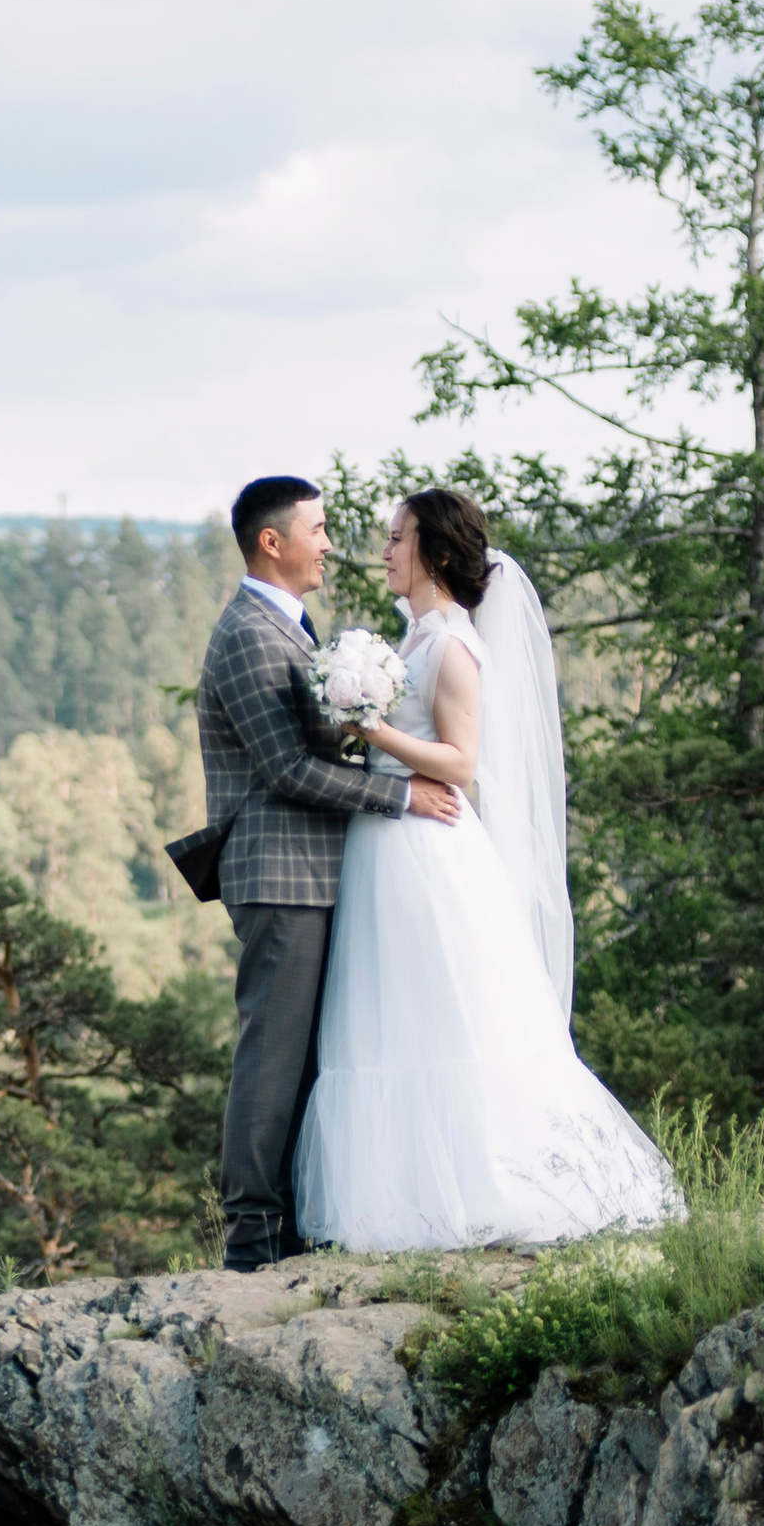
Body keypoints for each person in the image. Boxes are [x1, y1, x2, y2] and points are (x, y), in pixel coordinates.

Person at [293, 485, 680, 1252]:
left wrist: (375, 731)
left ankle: (493, 1191)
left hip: (428, 849)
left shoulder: (455, 647)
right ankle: (398, 1202)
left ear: (434, 553)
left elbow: (461, 763)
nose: (385, 551)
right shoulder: (409, 641)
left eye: (398, 538)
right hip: (387, 845)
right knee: (385, 1010)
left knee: (445, 1014)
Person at [197, 475, 463, 1273]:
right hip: (278, 873)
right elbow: (285, 771)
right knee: (273, 1052)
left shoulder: (289, 628)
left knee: (309, 1054)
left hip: (313, 871)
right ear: (271, 542)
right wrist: (399, 795)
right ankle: (252, 1236)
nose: (329, 543)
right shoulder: (248, 633)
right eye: (317, 529)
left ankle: (294, 1220)